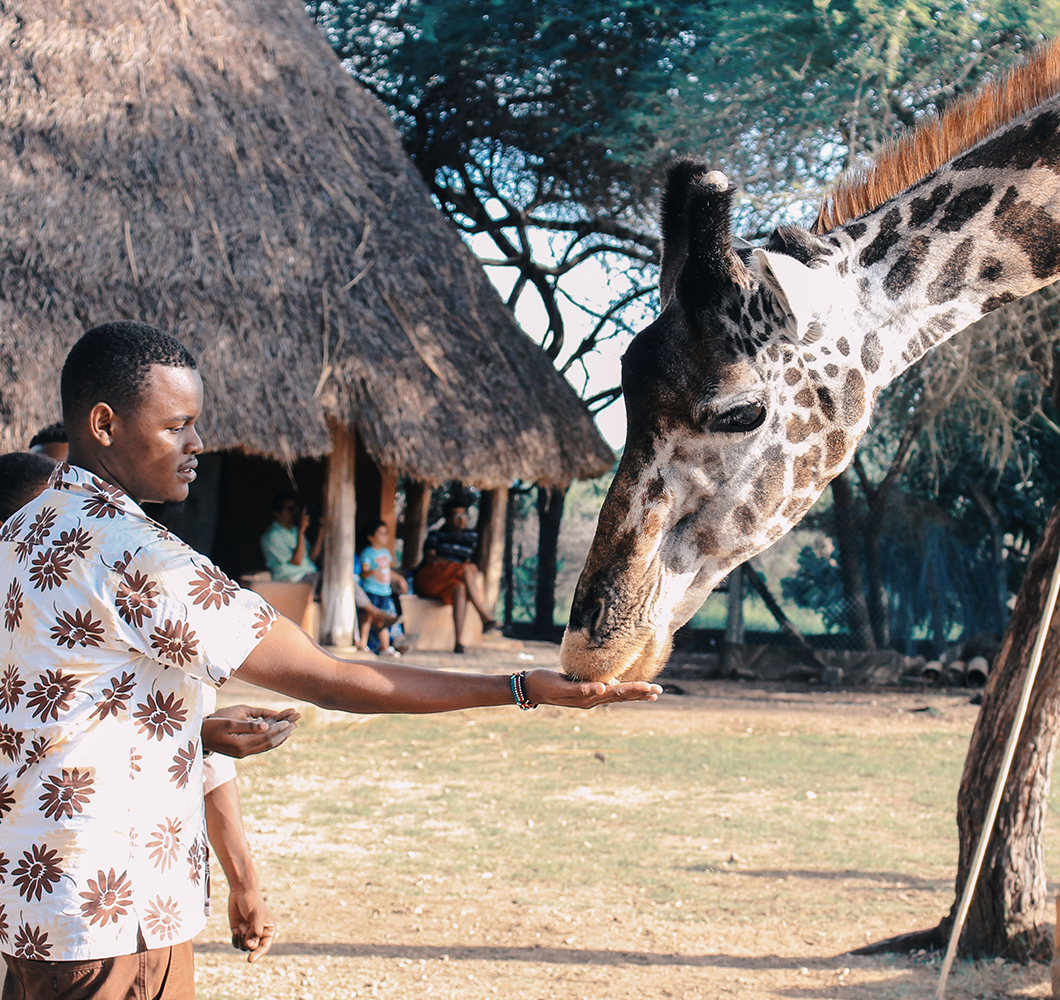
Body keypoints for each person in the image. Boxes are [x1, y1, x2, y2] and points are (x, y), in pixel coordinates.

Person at [0, 321, 660, 1000]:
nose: (198, 443)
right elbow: (333, 679)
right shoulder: (138, 556)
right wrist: (520, 687)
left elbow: (52, 703)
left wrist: (188, 732)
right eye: (177, 425)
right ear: (104, 424)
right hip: (115, 914)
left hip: (33, 898)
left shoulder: (19, 533)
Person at [0, 445, 300, 975]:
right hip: (95, 915)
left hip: (58, 916)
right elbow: (327, 677)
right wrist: (499, 689)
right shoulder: (109, 558)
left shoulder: (125, 596)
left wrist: (196, 733)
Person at [414, 497, 496, 652]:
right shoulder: (436, 535)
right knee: (465, 568)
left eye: (464, 516)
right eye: (457, 516)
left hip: (450, 582)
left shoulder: (471, 537)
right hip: (430, 579)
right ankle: (484, 615)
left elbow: (473, 561)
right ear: (447, 518)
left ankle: (459, 642)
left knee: (460, 588)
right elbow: (429, 558)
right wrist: (457, 566)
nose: (461, 520)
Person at [358, 520, 407, 657]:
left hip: (385, 592)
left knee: (383, 620)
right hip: (371, 591)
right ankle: (363, 643)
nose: (385, 536)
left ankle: (385, 647)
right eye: (381, 533)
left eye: (386, 533)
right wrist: (373, 572)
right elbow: (363, 573)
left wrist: (399, 579)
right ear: (371, 537)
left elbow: (387, 571)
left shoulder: (386, 553)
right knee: (368, 617)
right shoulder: (367, 553)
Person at [260, 491, 323, 583]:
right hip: (293, 578)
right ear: (277, 513)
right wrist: (301, 532)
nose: (295, 512)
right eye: (290, 509)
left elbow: (311, 558)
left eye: (296, 508)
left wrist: (322, 531)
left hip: (310, 574)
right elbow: (297, 561)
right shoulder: (272, 536)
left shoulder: (294, 531)